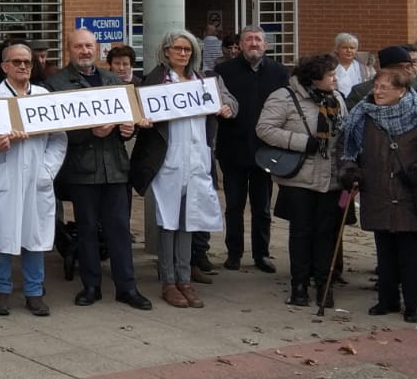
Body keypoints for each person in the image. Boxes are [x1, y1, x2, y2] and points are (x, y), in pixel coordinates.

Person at [338, 68, 417, 323]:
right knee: (386, 253)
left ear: (401, 91)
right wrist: (351, 172)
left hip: (414, 196)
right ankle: (387, 299)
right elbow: (347, 151)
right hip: (378, 193)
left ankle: (413, 304)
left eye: (385, 88)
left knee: (413, 256)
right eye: (376, 86)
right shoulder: (362, 115)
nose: (377, 92)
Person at [131, 30, 237, 309]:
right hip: (168, 160)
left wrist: (227, 107)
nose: (182, 53)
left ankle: (185, 278)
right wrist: (142, 120)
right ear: (166, 51)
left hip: (197, 158)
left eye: (187, 49)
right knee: (168, 222)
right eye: (177, 48)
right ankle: (168, 281)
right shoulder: (155, 81)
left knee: (190, 219)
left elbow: (231, 103)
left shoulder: (204, 80)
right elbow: (138, 112)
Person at [47, 29, 149, 309]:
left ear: (97, 49)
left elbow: (128, 119)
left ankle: (127, 287)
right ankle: (91, 286)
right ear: (69, 49)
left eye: (89, 46)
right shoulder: (56, 85)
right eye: (78, 46)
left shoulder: (112, 80)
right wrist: (89, 132)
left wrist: (128, 130)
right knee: (87, 229)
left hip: (115, 168)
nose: (85, 51)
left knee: (119, 229)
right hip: (82, 169)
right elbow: (54, 129)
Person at [0, 40, 68, 316]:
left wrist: (47, 171)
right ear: (5, 66)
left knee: (35, 235)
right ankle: (1, 290)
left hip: (37, 178)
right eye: (17, 62)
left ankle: (34, 291)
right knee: (2, 234)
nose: (23, 66)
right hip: (5, 176)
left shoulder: (43, 97)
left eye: (27, 62)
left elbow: (59, 139)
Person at [256, 54, 346, 307]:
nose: (335, 79)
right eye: (330, 75)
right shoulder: (284, 97)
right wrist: (302, 142)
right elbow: (264, 129)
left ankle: (324, 285)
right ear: (315, 78)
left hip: (331, 177)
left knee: (326, 234)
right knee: (301, 233)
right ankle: (299, 286)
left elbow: (344, 132)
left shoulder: (337, 98)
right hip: (300, 177)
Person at [214, 25, 290, 272]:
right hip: (233, 148)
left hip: (265, 150)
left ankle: (262, 254)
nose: (254, 43)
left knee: (262, 207)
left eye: (258, 39)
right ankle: (234, 253)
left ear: (265, 45)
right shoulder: (223, 71)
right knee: (234, 206)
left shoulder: (279, 72)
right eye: (249, 39)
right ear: (240, 45)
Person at [346, 45, 417, 111]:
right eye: (405, 67)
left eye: (410, 65)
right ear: (387, 69)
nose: (410, 70)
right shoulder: (360, 92)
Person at [332, 34, 374, 100]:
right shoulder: (330, 66)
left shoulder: (366, 69)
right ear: (337, 49)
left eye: (352, 48)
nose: (348, 51)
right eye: (344, 48)